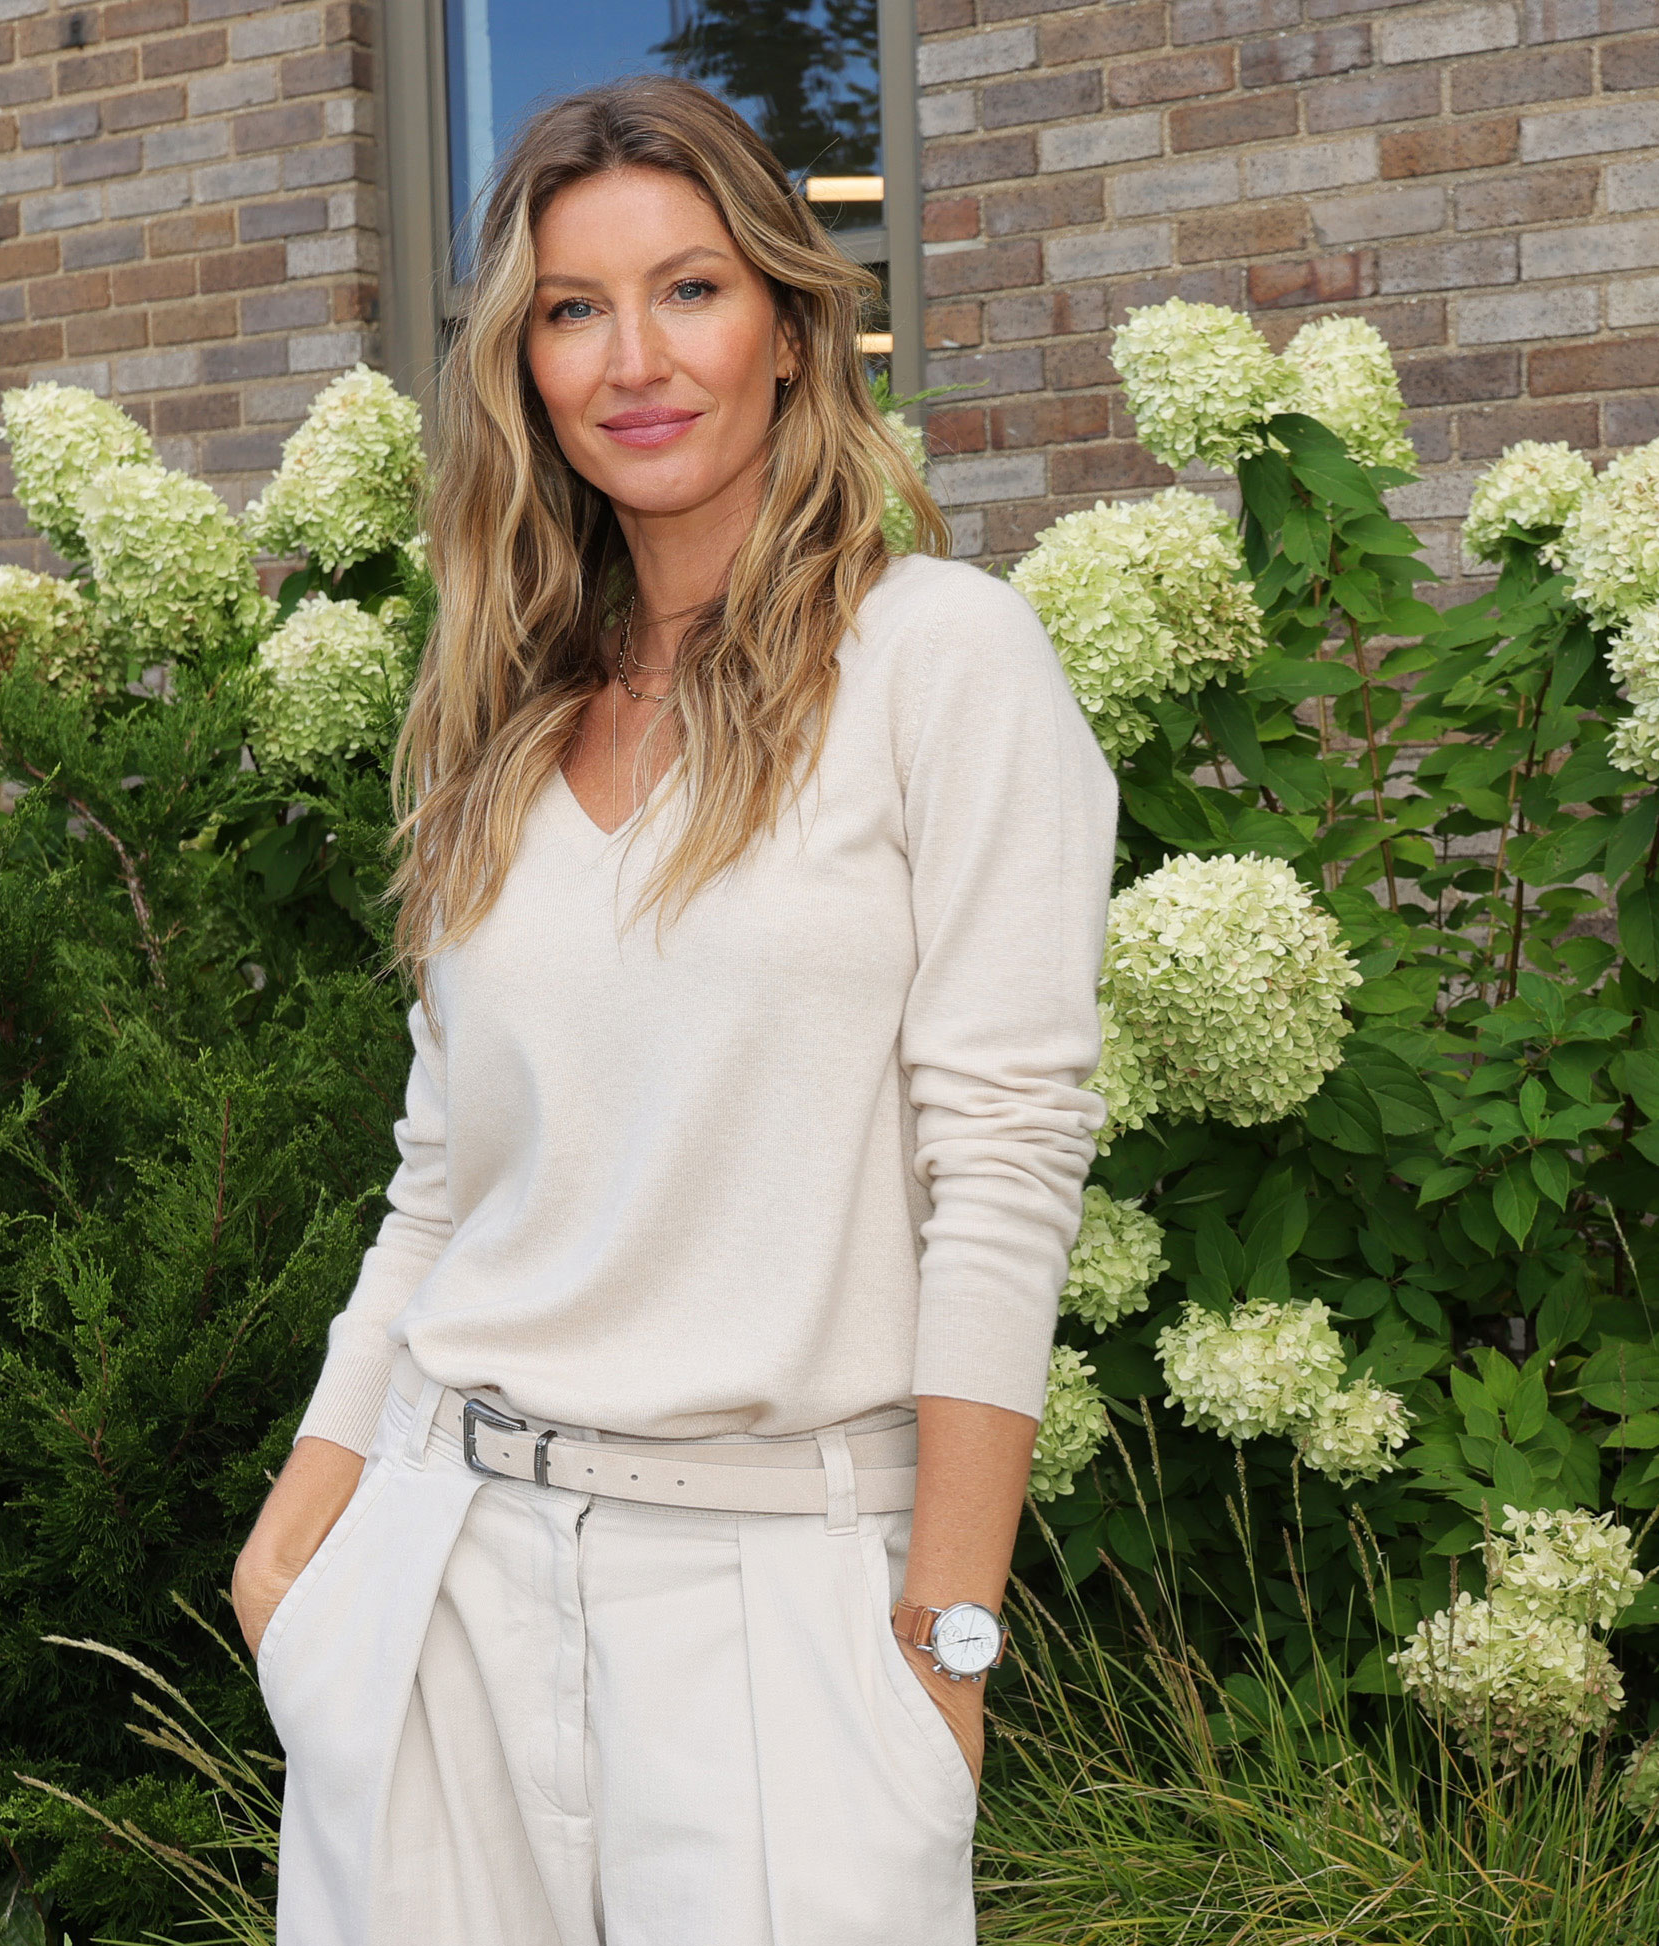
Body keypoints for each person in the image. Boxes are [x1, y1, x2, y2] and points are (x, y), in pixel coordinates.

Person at [222, 71, 1116, 1946]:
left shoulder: (939, 658)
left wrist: (947, 1649)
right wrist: (300, 1542)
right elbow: (444, 1181)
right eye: (573, 308)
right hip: (441, 1573)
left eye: (691, 289)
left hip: (780, 1590)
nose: (636, 356)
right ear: (522, 366)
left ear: (794, 326)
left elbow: (1008, 1166)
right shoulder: (493, 711)